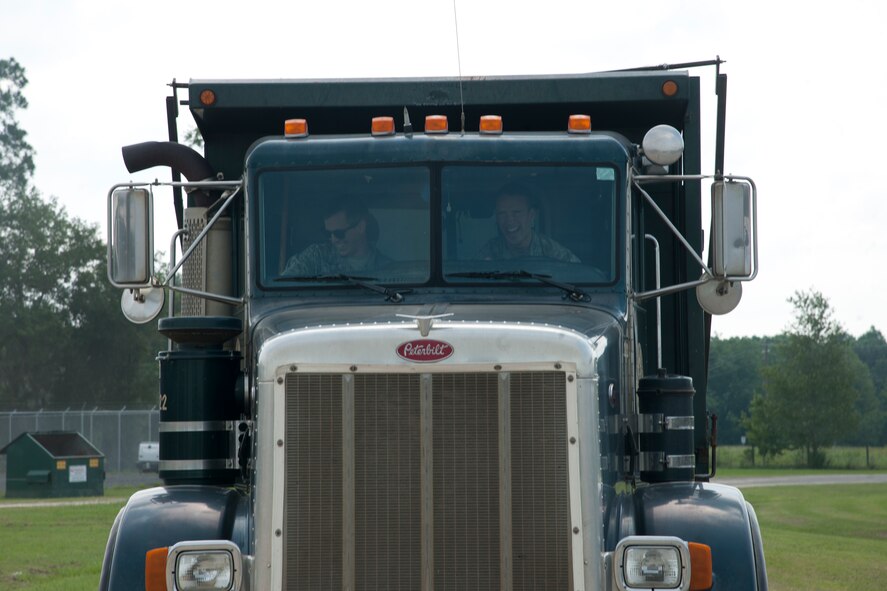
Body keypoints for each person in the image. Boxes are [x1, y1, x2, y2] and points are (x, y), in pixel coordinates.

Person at [283, 197, 389, 275]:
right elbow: (285, 286)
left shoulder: (387, 268)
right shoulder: (316, 257)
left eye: (339, 233)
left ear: (361, 227)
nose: (333, 240)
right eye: (328, 234)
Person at [477, 184, 580, 262]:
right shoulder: (490, 251)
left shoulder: (553, 253)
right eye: (502, 214)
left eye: (516, 213)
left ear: (531, 215)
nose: (509, 220)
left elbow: (579, 279)